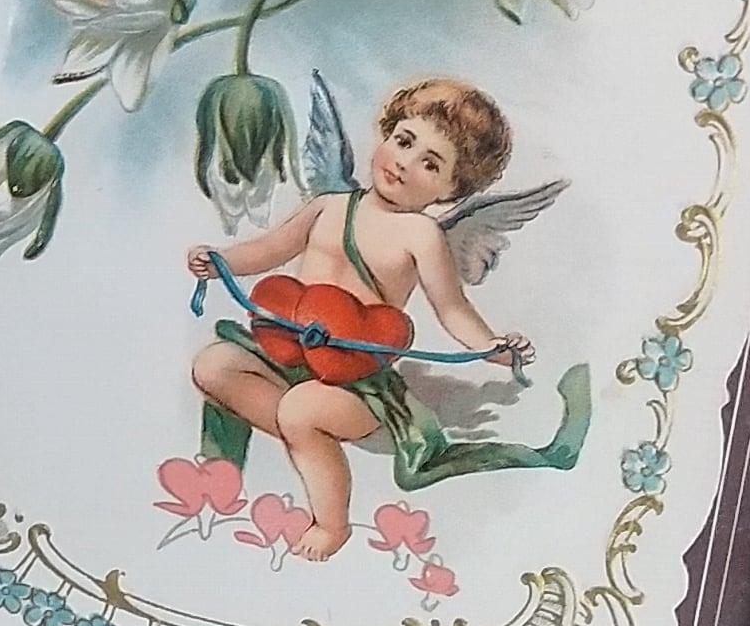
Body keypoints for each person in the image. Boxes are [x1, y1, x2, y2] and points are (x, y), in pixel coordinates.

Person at [186, 79, 534, 561]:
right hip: (289, 355)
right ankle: (304, 439)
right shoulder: (329, 206)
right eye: (404, 141)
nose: (405, 163)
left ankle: (331, 523)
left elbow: (452, 308)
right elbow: (270, 249)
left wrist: (493, 348)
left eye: (430, 164)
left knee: (301, 409)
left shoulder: (421, 234)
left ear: (451, 191)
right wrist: (220, 260)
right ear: (386, 133)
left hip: (356, 383)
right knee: (213, 365)